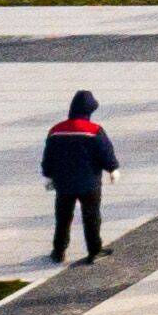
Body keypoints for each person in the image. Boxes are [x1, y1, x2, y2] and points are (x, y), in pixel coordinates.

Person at [43, 87, 119, 259]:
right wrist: (112, 169)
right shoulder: (94, 130)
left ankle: (59, 251)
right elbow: (105, 153)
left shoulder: (56, 130)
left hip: (64, 184)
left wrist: (48, 174)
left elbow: (49, 156)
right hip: (89, 183)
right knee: (91, 217)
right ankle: (94, 251)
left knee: (63, 218)